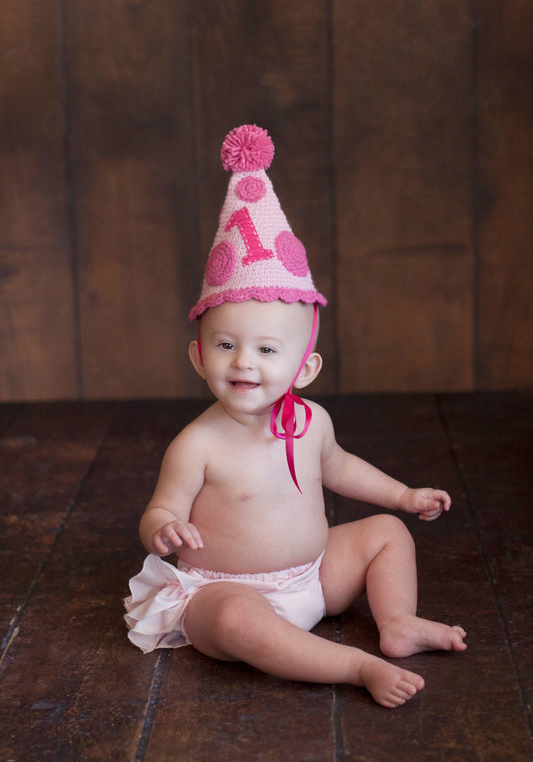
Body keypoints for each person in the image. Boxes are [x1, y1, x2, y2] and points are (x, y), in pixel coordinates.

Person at [124, 125, 466, 709]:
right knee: (236, 621)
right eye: (225, 345)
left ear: (304, 369)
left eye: (266, 349)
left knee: (387, 533)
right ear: (198, 357)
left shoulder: (312, 421)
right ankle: (354, 666)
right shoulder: (197, 443)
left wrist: (403, 495)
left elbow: (342, 468)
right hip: (224, 590)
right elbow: (161, 509)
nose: (244, 362)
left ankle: (398, 623)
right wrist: (163, 529)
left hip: (313, 574)